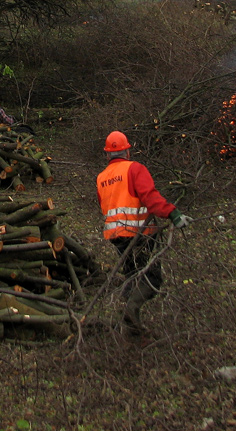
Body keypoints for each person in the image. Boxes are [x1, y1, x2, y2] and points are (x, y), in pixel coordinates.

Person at [96, 130, 191, 333]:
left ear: (107, 155)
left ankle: (128, 322)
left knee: (132, 274)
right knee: (152, 278)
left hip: (116, 236)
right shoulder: (134, 169)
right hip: (140, 234)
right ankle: (130, 311)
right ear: (127, 152)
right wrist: (173, 214)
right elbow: (150, 198)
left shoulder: (101, 178)